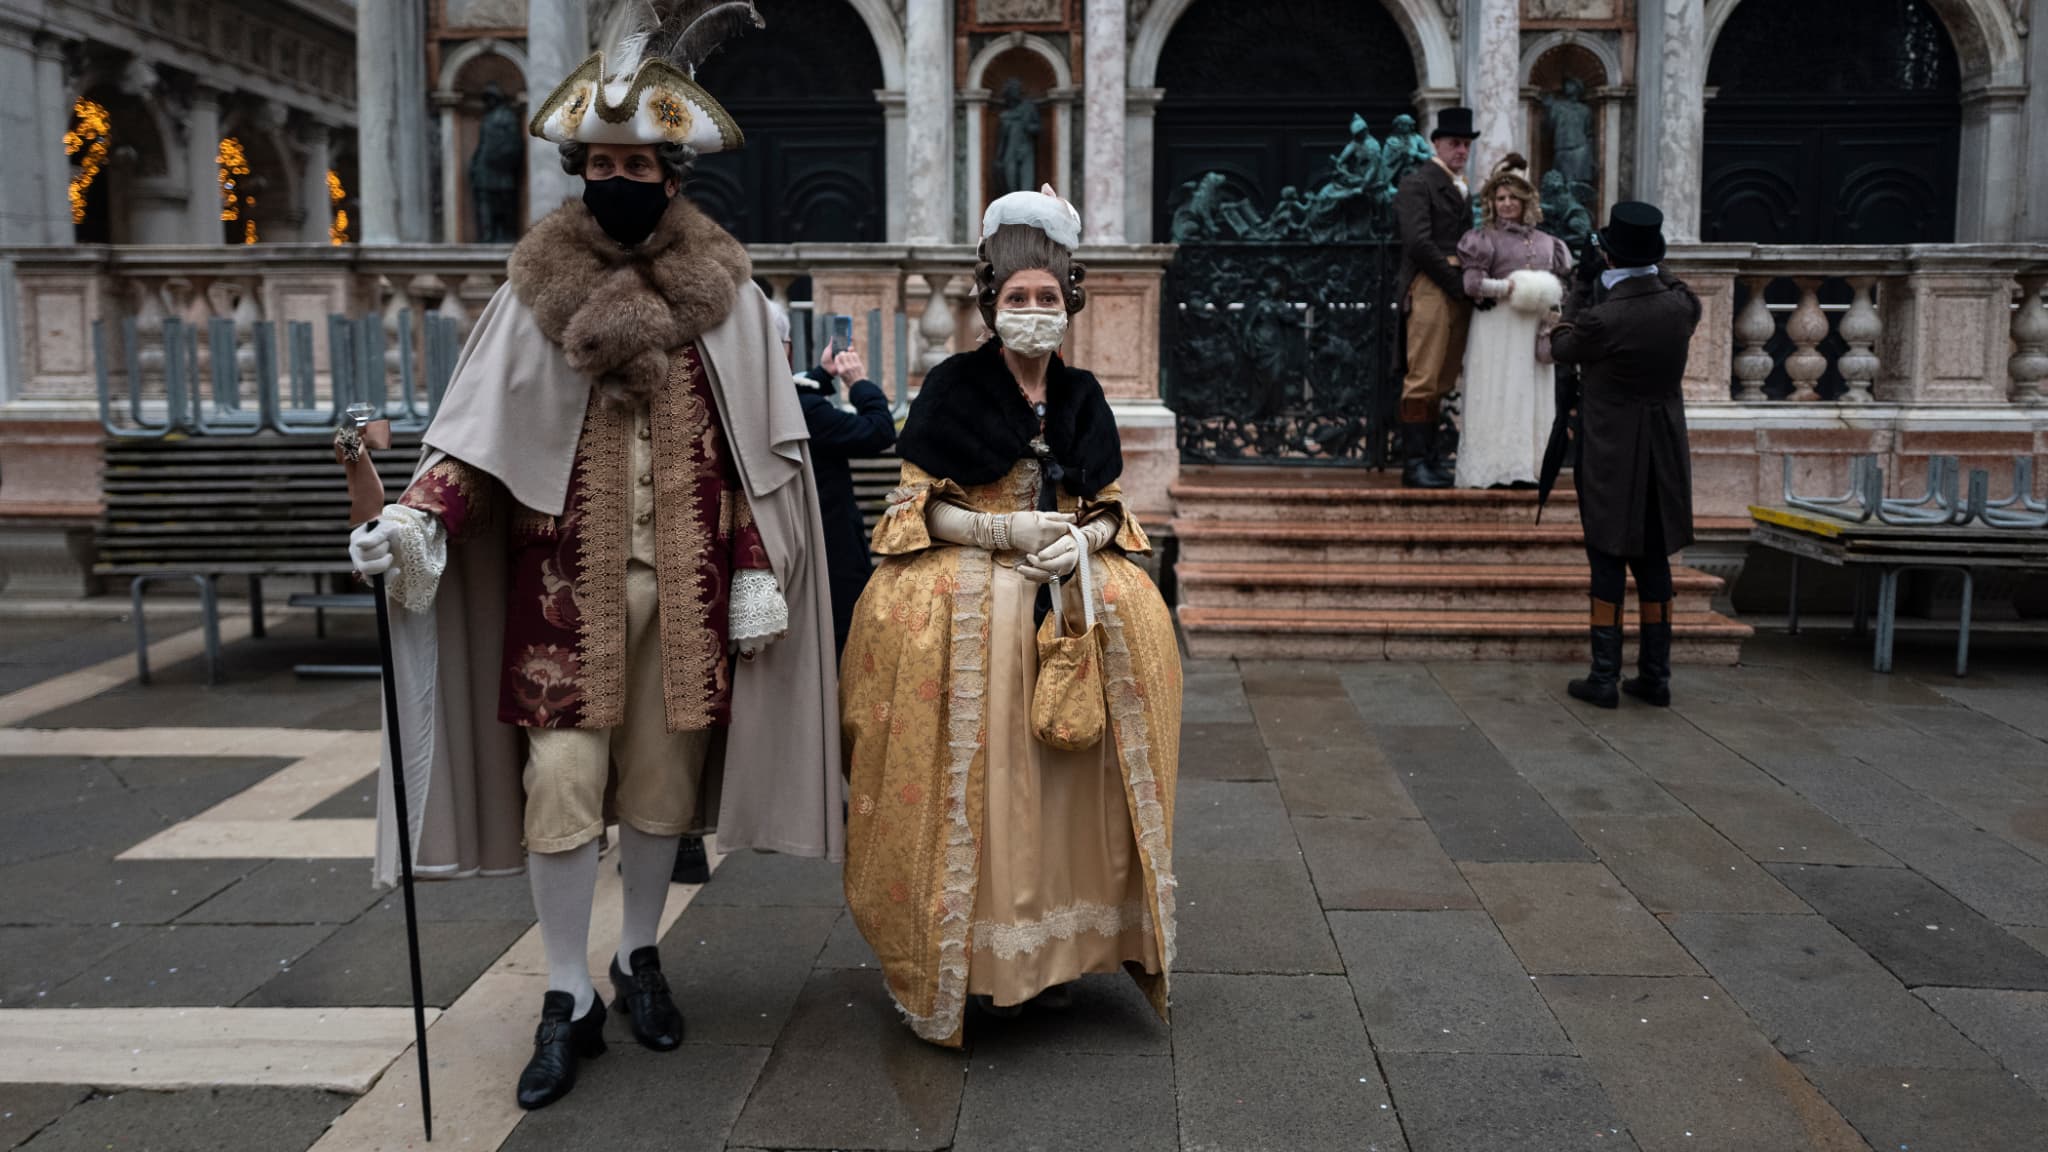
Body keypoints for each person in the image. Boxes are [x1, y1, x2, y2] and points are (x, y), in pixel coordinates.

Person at [345, 6, 845, 1111]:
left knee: (662, 787)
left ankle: (637, 957)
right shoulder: (531, 301)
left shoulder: (731, 300)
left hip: (691, 588)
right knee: (563, 785)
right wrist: (418, 521)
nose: (621, 177)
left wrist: (759, 562)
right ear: (580, 170)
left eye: (640, 162)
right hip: (561, 590)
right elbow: (474, 439)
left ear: (673, 175)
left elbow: (756, 452)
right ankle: (564, 995)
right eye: (604, 161)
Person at [840, 185, 1182, 1048]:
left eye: (1046, 297)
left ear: (1069, 301)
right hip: (969, 590)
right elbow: (916, 508)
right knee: (989, 787)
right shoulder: (954, 386)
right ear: (990, 303)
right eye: (1016, 297)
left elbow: (1110, 506)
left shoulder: (1083, 394)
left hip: (1070, 590)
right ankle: (981, 960)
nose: (1032, 311)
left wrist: (1082, 539)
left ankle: (1060, 952)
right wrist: (998, 528)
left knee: (1070, 783)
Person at [1548, 201, 1700, 709]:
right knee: (1654, 561)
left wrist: (1581, 285)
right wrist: (1636, 260)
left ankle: (1603, 676)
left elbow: (1560, 344)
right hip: (1663, 452)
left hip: (1613, 450)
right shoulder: (1680, 307)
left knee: (1608, 557)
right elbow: (1675, 286)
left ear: (1610, 256)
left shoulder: (1604, 319)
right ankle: (1655, 676)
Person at [1454, 154, 1573, 490]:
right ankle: (1496, 468)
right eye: (1500, 198)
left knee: (1530, 392)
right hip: (1498, 326)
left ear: (1526, 201)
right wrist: (1512, 287)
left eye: (1512, 198)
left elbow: (1564, 286)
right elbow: (1472, 285)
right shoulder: (1483, 238)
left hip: (1534, 327)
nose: (1506, 204)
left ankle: (1529, 465)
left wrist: (1551, 303)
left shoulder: (1550, 243)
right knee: (1499, 391)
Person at [792, 334, 898, 652]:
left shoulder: (774, 403)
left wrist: (822, 374)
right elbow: (879, 430)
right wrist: (859, 383)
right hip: (830, 548)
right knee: (846, 639)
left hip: (799, 541)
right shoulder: (809, 412)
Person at [1392, 106, 1481, 488]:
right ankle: (1414, 465)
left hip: (1454, 288)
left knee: (1444, 377)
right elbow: (1418, 243)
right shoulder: (1418, 183)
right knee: (1423, 375)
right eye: (1454, 143)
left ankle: (1430, 458)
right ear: (1437, 144)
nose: (1461, 150)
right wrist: (1454, 282)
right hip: (1431, 285)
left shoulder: (1462, 188)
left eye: (1465, 144)